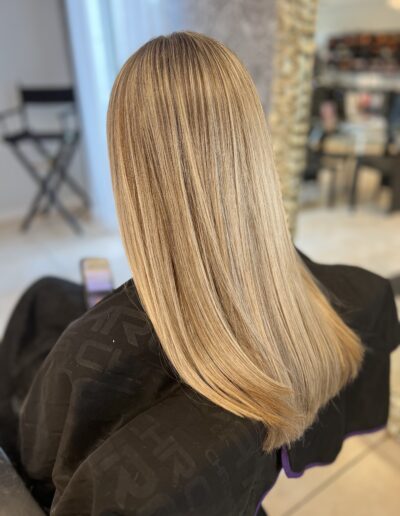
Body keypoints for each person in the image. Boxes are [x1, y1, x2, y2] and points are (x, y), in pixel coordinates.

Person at [1, 32, 398, 515]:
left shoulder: (81, 354)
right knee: (47, 297)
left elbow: (34, 460)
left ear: (130, 172)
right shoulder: (324, 300)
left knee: (37, 307)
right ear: (250, 146)